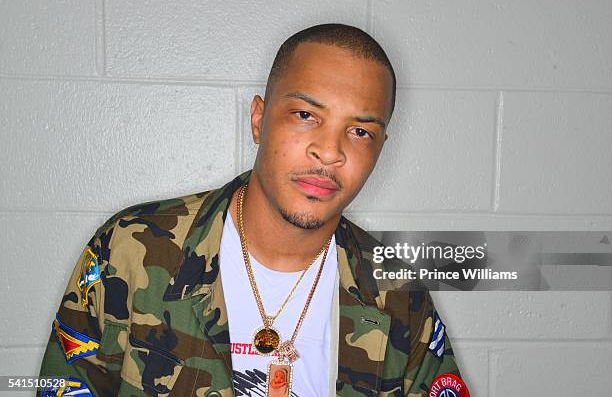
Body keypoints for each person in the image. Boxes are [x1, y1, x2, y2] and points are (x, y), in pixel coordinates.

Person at [38, 23, 465, 397]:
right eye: (305, 114)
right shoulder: (129, 247)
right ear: (259, 120)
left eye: (359, 131)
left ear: (380, 149)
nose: (330, 151)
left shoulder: (398, 294)